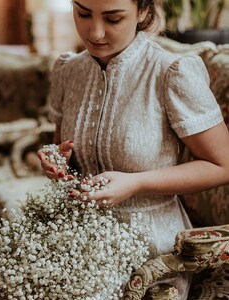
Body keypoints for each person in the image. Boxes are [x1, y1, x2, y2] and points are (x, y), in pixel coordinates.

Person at [37, 0, 229, 298]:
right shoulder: (68, 71)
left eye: (113, 19)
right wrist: (56, 162)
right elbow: (62, 148)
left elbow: (223, 165)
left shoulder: (171, 72)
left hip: (152, 252)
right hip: (75, 238)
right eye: (83, 13)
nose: (95, 32)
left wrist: (136, 182)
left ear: (143, 11)